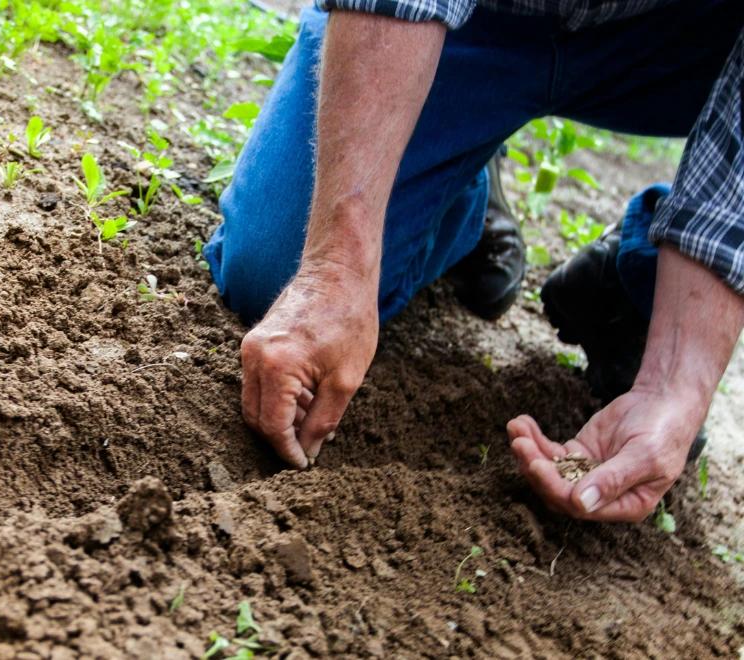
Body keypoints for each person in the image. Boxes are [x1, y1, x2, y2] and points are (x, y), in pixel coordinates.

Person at [202, 0, 744, 522]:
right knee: (274, 271)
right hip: (482, 19)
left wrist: (674, 386)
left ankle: (641, 280)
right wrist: (337, 267)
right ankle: (463, 186)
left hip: (684, 38)